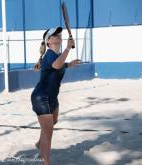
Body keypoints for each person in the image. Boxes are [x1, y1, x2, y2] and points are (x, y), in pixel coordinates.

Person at [31, 27, 81, 164]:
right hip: (41, 97)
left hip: (52, 97)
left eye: (59, 33)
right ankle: (45, 161)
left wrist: (69, 64)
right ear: (48, 41)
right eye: (54, 34)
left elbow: (59, 65)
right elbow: (56, 65)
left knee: (53, 121)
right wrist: (68, 48)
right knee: (48, 132)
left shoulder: (55, 56)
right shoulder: (49, 55)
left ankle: (40, 143)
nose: (58, 35)